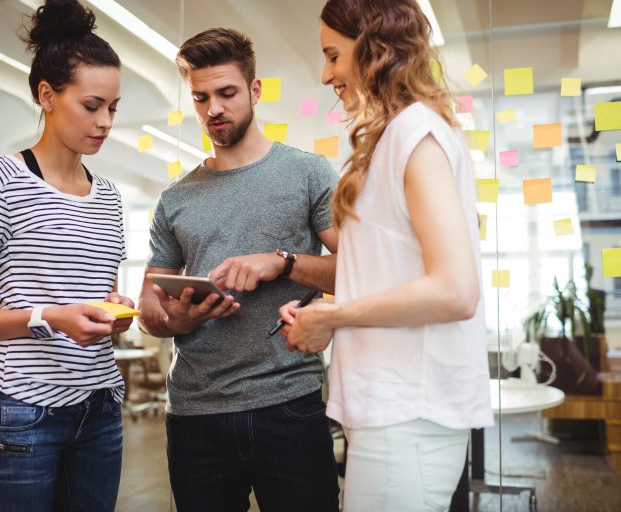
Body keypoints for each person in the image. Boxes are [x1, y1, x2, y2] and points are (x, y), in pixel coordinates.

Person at [278, 0, 494, 510]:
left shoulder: (415, 133)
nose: (325, 74)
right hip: (390, 410)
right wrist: (327, 311)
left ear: (373, 46)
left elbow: (455, 291)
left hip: (408, 413)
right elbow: (393, 274)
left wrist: (336, 315)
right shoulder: (393, 136)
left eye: (333, 55)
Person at [0, 1, 133, 510]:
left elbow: (95, 294)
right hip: (19, 413)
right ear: (46, 95)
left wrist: (115, 311)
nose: (105, 121)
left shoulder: (109, 196)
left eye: (113, 107)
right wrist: (51, 318)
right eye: (92, 105)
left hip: (99, 410)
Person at [137, 27, 340, 512]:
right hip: (195, 414)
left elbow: (359, 270)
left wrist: (282, 262)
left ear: (255, 90)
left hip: (289, 405)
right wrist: (174, 320)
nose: (213, 109)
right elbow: (148, 308)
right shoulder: (175, 199)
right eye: (201, 97)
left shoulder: (308, 172)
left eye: (227, 93)